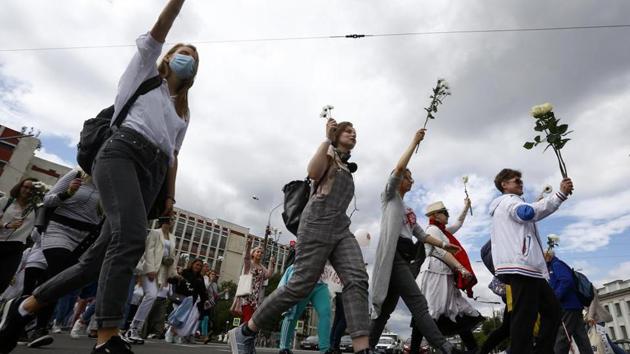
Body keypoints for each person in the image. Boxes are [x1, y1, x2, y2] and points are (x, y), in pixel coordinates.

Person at [0, 1, 198, 352]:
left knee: (94, 262)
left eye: (194, 57)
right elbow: (159, 28)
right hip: (122, 152)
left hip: (152, 172)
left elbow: (173, 157)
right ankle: (107, 336)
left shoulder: (182, 111)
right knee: (132, 236)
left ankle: (24, 307)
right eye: (183, 52)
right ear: (168, 57)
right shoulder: (144, 73)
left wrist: (169, 197)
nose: (189, 58)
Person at [229, 118, 371, 354]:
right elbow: (313, 172)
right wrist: (326, 139)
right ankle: (245, 332)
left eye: (355, 131)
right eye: (347, 131)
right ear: (336, 135)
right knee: (299, 286)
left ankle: (362, 348)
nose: (353, 133)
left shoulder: (347, 167)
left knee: (358, 278)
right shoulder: (329, 155)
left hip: (341, 228)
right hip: (316, 223)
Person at [369, 129, 464, 354]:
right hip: (393, 258)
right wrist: (414, 141)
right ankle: (445, 346)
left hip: (404, 257)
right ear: (400, 179)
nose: (412, 180)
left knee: (386, 309)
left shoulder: (409, 210)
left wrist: (443, 244)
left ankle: (366, 347)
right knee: (418, 303)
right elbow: (399, 168)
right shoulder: (389, 197)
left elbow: (421, 234)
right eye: (409, 178)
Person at [489, 168, 573, 354]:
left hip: (527, 267)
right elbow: (527, 213)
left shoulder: (507, 205)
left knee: (552, 311)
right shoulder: (509, 201)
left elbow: (528, 212)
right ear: (504, 185)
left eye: (521, 180)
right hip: (521, 266)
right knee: (525, 317)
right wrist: (559, 195)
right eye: (516, 180)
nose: (520, 183)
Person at [25, 168, 102, 348]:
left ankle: (22, 310)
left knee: (57, 278)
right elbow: (47, 200)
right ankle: (39, 327)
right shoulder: (76, 175)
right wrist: (68, 193)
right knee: (58, 269)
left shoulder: (111, 184)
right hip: (60, 228)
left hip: (84, 238)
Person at [415, 199, 482, 352]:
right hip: (435, 273)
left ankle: (474, 350)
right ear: (436, 215)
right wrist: (461, 269)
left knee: (458, 311)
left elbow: (458, 223)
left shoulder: (442, 231)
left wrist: (466, 207)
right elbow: (441, 251)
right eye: (445, 213)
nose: (448, 216)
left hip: (445, 274)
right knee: (431, 312)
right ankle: (416, 348)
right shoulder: (432, 229)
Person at [125, 218, 177, 344]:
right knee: (151, 296)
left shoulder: (172, 237)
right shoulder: (154, 232)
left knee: (151, 297)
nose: (172, 221)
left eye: (173, 219)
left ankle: (134, 329)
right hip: (149, 268)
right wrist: (150, 269)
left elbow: (172, 256)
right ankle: (133, 329)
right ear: (165, 220)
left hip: (162, 272)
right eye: (171, 219)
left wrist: (173, 274)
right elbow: (148, 250)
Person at [545, 250, 594, 354]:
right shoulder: (553, 265)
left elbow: (566, 281)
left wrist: (555, 297)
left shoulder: (556, 264)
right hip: (573, 306)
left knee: (562, 337)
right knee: (581, 338)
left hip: (567, 305)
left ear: (548, 256)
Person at [278, 263, 331, 354]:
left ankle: (325, 349)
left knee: (325, 313)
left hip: (320, 282)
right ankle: (284, 347)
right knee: (293, 313)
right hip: (302, 279)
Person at [0, 178, 38, 295]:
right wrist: (7, 225)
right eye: (25, 187)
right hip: (1, 241)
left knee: (3, 281)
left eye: (31, 189)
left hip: (16, 247)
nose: (27, 190)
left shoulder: (36, 208)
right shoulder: (5, 201)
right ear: (19, 187)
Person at [231, 238, 275, 323]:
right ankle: (243, 335)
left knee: (251, 320)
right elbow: (246, 258)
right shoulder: (249, 264)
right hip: (246, 295)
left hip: (256, 297)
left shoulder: (262, 267)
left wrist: (271, 263)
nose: (260, 254)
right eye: (258, 252)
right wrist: (249, 246)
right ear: (253, 253)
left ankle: (243, 334)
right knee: (248, 319)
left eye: (262, 253)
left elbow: (268, 275)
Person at [165, 258, 208, 344]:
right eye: (197, 264)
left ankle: (176, 334)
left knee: (183, 319)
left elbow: (203, 291)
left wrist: (205, 300)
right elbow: (174, 280)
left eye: (200, 265)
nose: (198, 267)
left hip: (191, 301)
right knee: (177, 317)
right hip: (180, 298)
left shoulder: (200, 277)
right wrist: (169, 278)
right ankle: (170, 332)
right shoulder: (184, 272)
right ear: (192, 264)